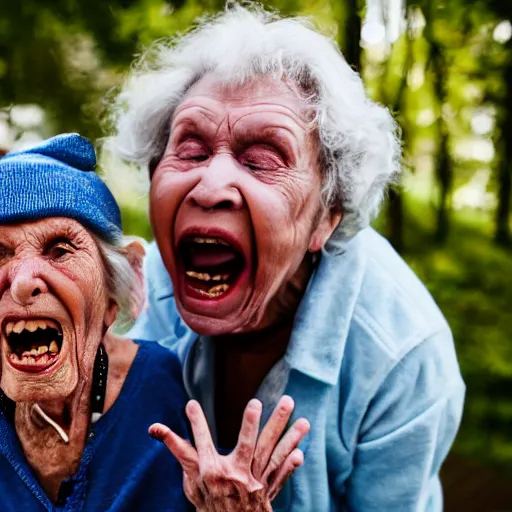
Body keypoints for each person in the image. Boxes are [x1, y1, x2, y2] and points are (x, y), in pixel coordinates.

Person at [106, 3, 466, 510]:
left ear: (327, 215)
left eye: (261, 161)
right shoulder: (156, 279)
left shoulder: (403, 358)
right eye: (190, 150)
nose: (210, 187)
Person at [0, 133, 308, 512]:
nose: (22, 282)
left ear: (114, 293)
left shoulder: (162, 388)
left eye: (60, 250)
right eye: (0, 253)